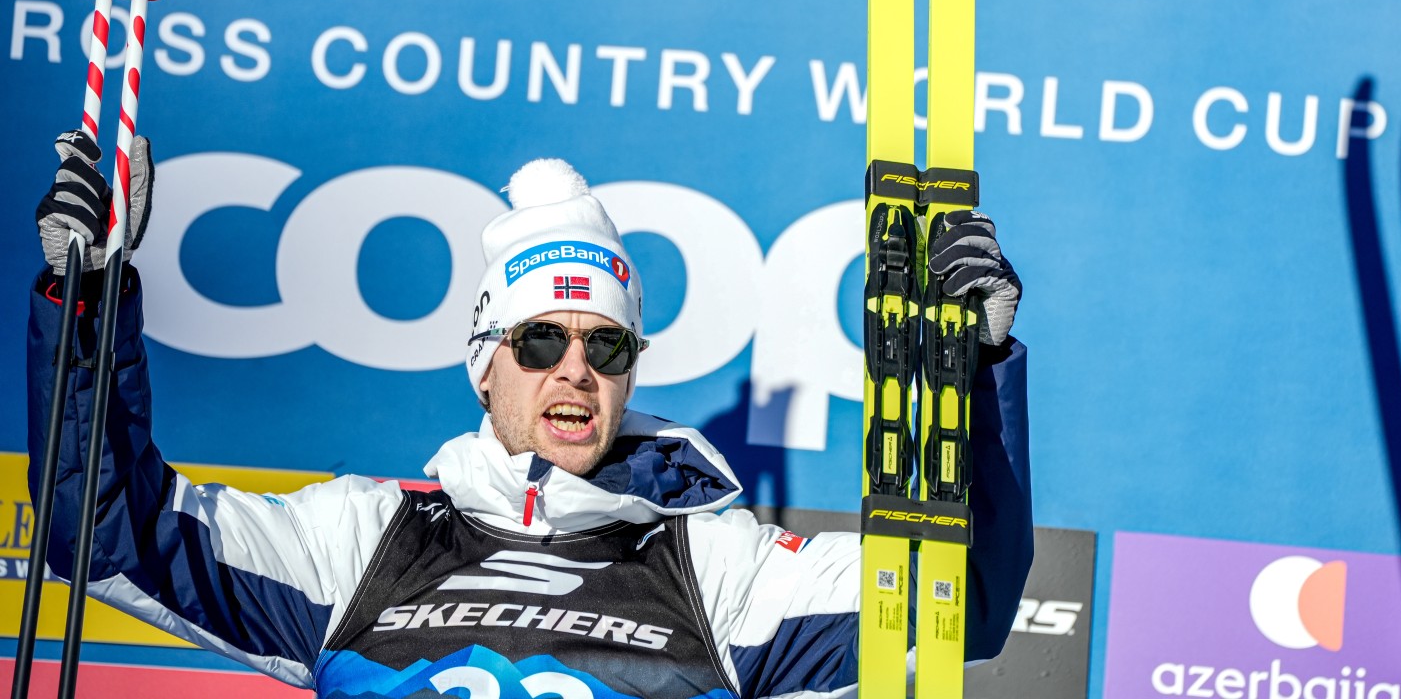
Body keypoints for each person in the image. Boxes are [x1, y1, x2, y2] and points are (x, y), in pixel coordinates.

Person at [28, 131, 1032, 699]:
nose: (576, 370)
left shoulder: (720, 569)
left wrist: (974, 372)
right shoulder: (360, 540)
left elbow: (962, 610)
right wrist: (87, 303)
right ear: (486, 364)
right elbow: (106, 534)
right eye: (542, 340)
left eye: (608, 346)